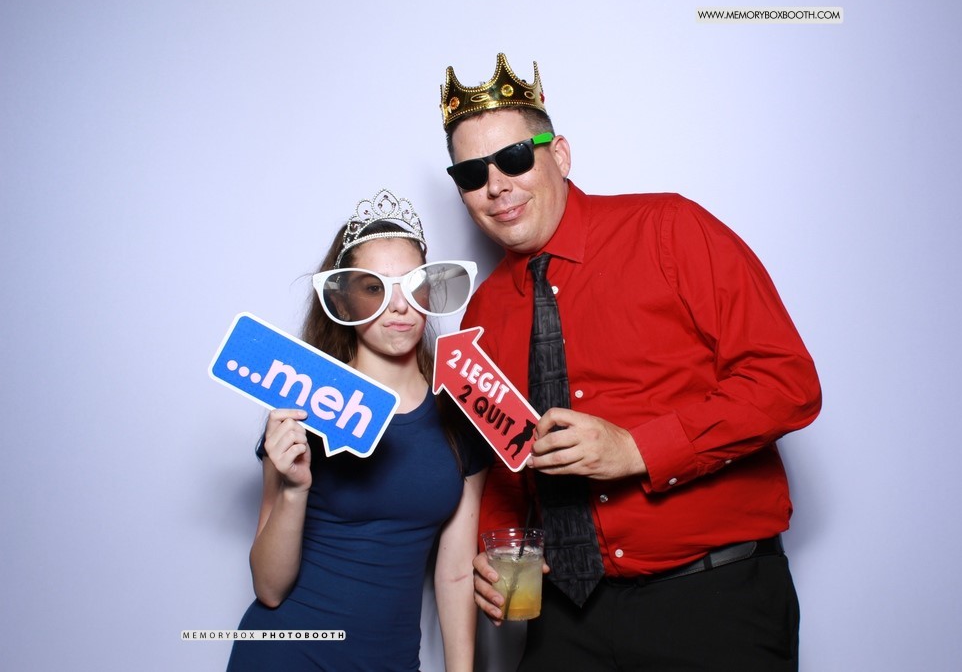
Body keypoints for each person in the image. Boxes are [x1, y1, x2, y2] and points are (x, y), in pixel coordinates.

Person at [439, 54, 822, 670]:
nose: (497, 185)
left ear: (560, 155)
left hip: (711, 603)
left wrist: (639, 449)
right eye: (471, 173)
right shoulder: (480, 315)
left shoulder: (669, 228)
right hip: (566, 618)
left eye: (514, 158)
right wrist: (496, 548)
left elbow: (787, 384)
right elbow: (508, 466)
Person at [226, 189, 490, 671]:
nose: (399, 305)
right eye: (374, 287)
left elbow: (454, 575)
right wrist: (294, 490)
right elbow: (268, 587)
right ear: (343, 302)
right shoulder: (304, 404)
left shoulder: (461, 412)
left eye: (413, 284)